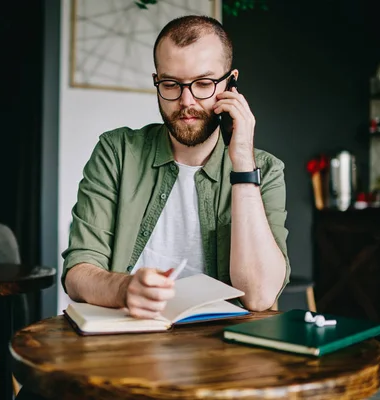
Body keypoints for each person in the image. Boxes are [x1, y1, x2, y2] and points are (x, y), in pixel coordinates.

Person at [61, 15, 290, 317]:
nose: (186, 101)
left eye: (204, 83)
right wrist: (124, 289)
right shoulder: (116, 152)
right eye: (170, 84)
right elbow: (77, 273)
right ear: (156, 80)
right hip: (128, 340)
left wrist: (243, 163)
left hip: (221, 348)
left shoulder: (265, 169)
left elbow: (259, 297)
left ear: (231, 83)